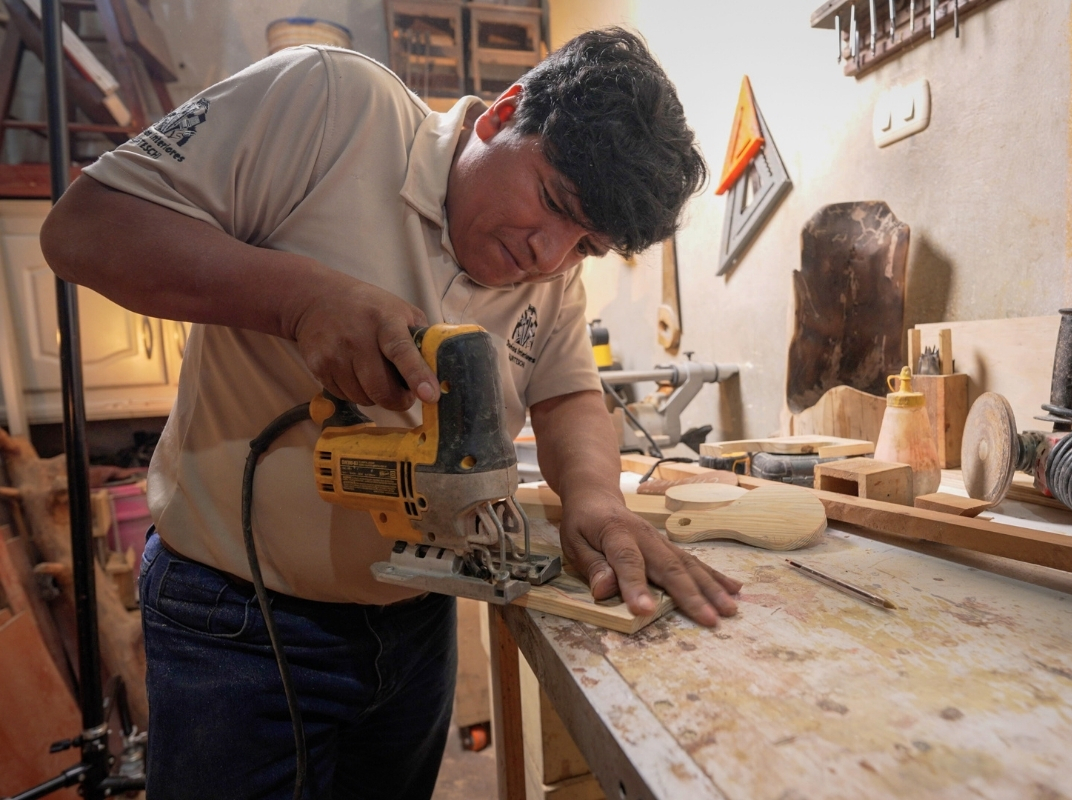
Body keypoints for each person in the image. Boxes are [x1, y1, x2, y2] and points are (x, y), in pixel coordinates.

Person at [41, 27, 741, 798]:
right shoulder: (328, 103)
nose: (549, 255)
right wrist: (300, 299)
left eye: (586, 246)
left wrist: (599, 501)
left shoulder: (551, 266)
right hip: (235, 624)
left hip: (416, 621)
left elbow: (568, 392)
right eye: (551, 202)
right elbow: (83, 230)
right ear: (502, 114)